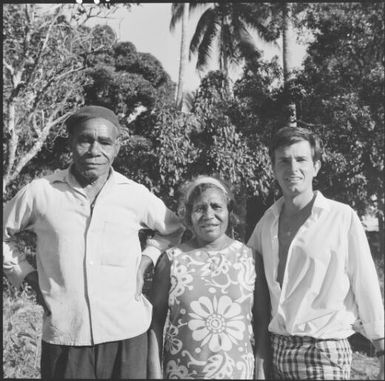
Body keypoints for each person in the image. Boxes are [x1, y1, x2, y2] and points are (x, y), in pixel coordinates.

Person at [3, 105, 184, 379]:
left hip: (128, 334)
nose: (94, 150)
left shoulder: (134, 194)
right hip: (66, 335)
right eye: (85, 140)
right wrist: (26, 275)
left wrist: (146, 260)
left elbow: (174, 229)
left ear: (117, 147)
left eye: (104, 142)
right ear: (71, 143)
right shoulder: (41, 192)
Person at [247, 126, 384, 380]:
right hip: (277, 350)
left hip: (324, 349)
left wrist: (380, 341)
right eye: (284, 161)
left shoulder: (341, 216)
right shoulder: (267, 222)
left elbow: (364, 279)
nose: (292, 168)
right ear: (274, 168)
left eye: (301, 159)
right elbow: (243, 268)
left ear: (316, 166)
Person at [147, 176, 271, 379]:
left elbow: (261, 322)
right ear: (188, 215)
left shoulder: (249, 258)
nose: (209, 215)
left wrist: (261, 374)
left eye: (216, 207)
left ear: (229, 211)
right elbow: (155, 323)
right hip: (182, 373)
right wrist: (154, 374)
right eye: (199, 209)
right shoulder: (172, 260)